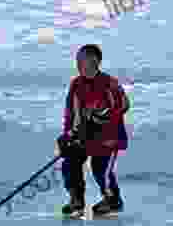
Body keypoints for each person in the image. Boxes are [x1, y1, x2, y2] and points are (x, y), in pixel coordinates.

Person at [56, 44, 130, 216]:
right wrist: (69, 135)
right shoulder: (76, 84)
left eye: (81, 60)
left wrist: (98, 120)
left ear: (94, 61)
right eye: (77, 60)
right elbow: (72, 114)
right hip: (83, 137)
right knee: (70, 162)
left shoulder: (109, 84)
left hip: (108, 138)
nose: (78, 64)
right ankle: (76, 200)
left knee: (100, 169)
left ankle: (112, 200)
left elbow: (123, 105)